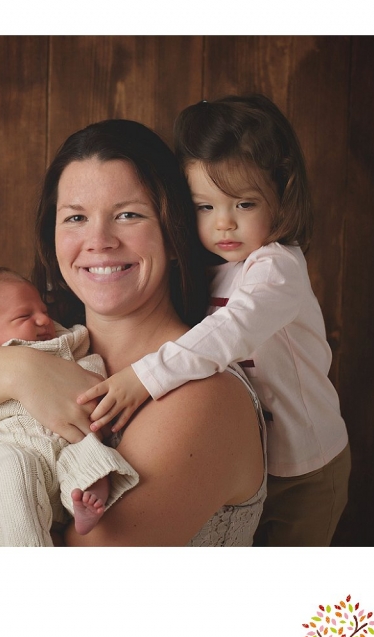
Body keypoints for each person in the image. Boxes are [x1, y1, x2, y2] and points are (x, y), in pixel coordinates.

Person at [0, 118, 266, 547]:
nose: (98, 240)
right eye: (76, 217)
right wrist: (19, 371)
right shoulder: (40, 333)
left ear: (173, 235)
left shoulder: (202, 395)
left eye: (128, 215)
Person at [77, 95, 350, 547]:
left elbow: (232, 330)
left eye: (243, 204)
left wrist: (144, 377)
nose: (224, 224)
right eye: (205, 207)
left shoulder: (277, 266)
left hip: (308, 468)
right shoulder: (210, 270)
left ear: (281, 196)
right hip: (253, 461)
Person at [0, 263, 138, 545]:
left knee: (90, 454)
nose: (43, 320)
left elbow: (90, 371)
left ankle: (86, 502)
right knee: (11, 470)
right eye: (25, 316)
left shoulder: (67, 343)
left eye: (44, 311)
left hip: (66, 446)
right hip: (16, 446)